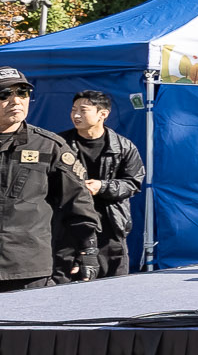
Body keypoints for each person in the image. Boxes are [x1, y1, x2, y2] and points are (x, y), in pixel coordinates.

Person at [0, 67, 98, 290]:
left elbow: (77, 202)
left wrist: (88, 250)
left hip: (27, 268)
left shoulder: (48, 146)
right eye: (4, 94)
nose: (16, 100)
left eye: (22, 93)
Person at [64, 90, 144, 275]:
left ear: (103, 114)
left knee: (114, 286)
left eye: (83, 110)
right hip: (71, 228)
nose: (76, 115)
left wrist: (102, 186)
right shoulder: (60, 144)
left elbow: (133, 183)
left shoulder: (124, 146)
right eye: (73, 109)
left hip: (111, 227)